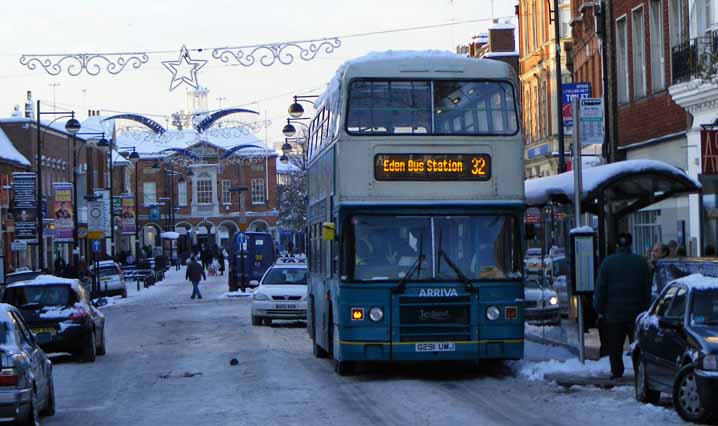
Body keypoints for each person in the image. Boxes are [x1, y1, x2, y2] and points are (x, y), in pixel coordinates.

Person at [594, 232, 652, 379]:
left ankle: (616, 372)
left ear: (617, 246)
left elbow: (600, 289)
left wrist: (600, 309)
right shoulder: (641, 263)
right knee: (637, 345)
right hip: (636, 313)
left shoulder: (607, 263)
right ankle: (639, 372)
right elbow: (647, 289)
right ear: (630, 244)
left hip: (613, 314)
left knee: (615, 346)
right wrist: (646, 309)